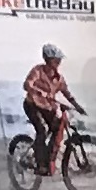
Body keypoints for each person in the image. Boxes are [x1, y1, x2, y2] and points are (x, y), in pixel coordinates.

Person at [22, 43, 77, 171]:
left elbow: (67, 93)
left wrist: (77, 106)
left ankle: (49, 158)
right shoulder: (37, 71)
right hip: (32, 105)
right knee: (42, 129)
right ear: (48, 59)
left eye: (59, 60)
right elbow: (27, 84)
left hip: (47, 108)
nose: (59, 62)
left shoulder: (59, 78)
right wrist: (39, 92)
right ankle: (40, 164)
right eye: (56, 60)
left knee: (57, 127)